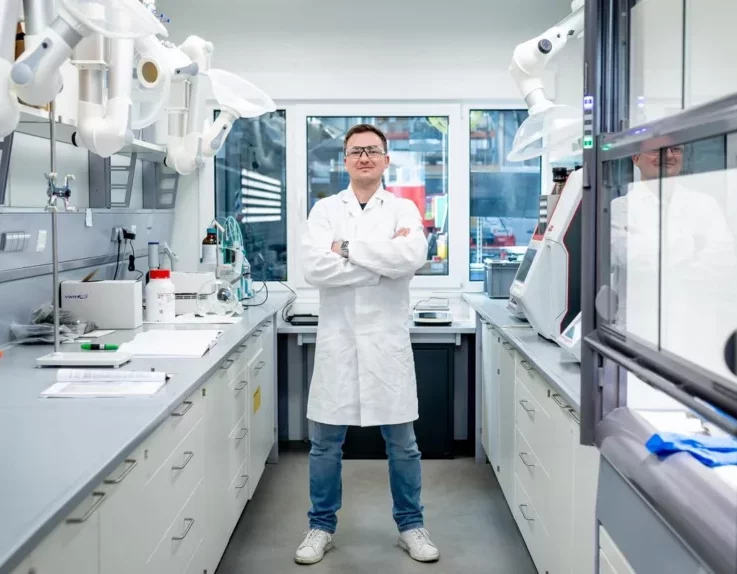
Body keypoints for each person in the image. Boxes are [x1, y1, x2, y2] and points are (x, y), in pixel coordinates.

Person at [295, 124, 439, 565]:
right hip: (338, 343)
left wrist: (345, 249)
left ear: (386, 159)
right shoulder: (324, 209)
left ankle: (411, 526)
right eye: (356, 151)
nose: (364, 158)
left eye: (372, 151)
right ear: (344, 160)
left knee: (404, 445)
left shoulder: (403, 209)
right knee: (324, 446)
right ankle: (320, 527)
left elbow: (411, 258)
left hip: (385, 344)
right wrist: (380, 264)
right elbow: (314, 270)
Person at [610, 143, 737, 382]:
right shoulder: (622, 207)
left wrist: (653, 248)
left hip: (694, 329)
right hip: (640, 329)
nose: (667, 156)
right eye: (656, 150)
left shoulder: (704, 203)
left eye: (675, 149)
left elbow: (724, 259)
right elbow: (626, 255)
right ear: (635, 158)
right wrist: (693, 246)